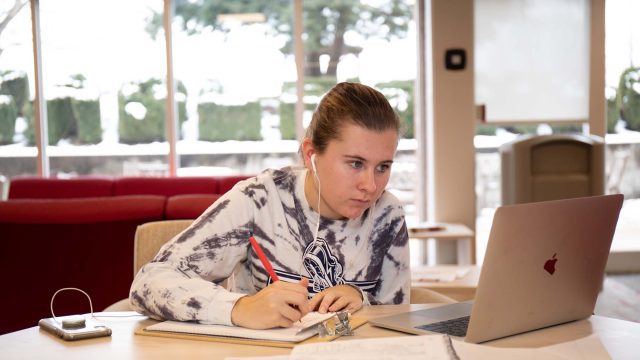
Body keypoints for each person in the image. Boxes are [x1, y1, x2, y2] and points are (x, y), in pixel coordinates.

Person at [129, 82, 410, 330]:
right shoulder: (258, 200)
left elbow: (399, 313)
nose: (371, 186)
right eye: (355, 163)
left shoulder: (388, 214)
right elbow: (148, 283)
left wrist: (361, 299)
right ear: (311, 154)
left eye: (383, 167)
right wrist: (239, 308)